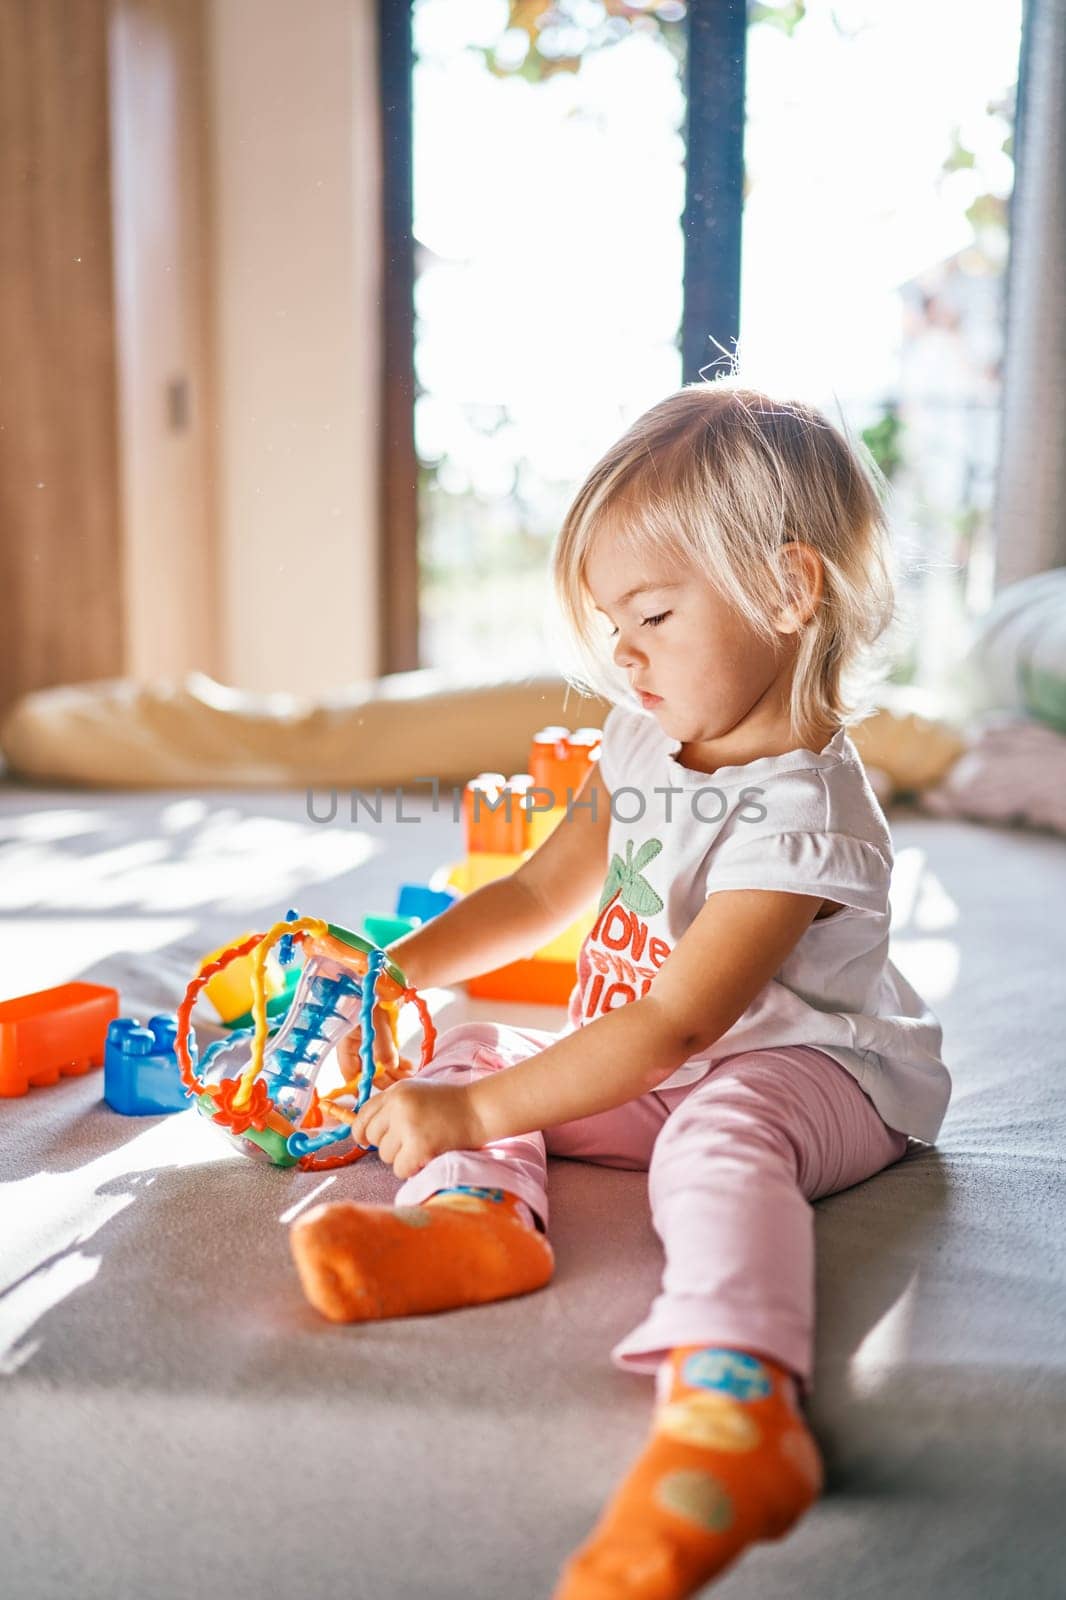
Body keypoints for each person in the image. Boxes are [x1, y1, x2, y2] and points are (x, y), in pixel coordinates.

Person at [289, 378, 951, 1599]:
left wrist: (478, 1117)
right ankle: (477, 1226)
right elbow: (540, 894)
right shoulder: (642, 736)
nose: (623, 653)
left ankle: (737, 1403)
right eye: (612, 624)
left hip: (814, 1068)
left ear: (787, 590)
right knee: (477, 1048)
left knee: (718, 1136)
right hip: (652, 1052)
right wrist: (396, 973)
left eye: (651, 614)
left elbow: (678, 1026)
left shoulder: (803, 810)